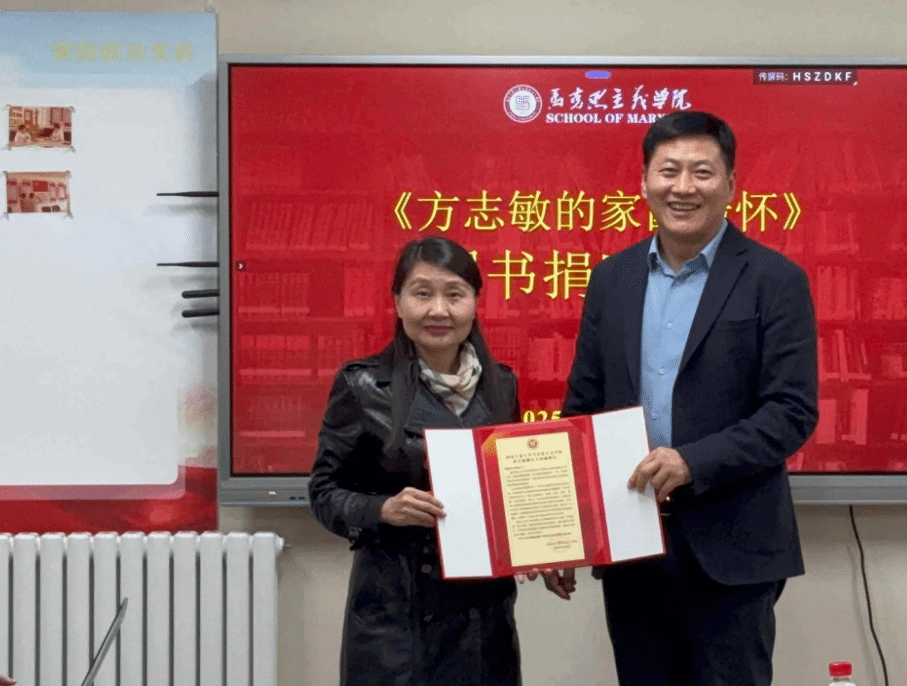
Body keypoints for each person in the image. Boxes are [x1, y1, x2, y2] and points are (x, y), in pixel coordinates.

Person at [545, 111, 819, 686]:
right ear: (645, 181)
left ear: (730, 184)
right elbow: (582, 409)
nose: (683, 187)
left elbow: (791, 411)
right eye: (668, 171)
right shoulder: (612, 279)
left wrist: (692, 461)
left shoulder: (775, 279)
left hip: (733, 545)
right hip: (632, 544)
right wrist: (562, 528)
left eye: (702, 171)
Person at [308, 236, 524, 686]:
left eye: (454, 295)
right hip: (397, 622)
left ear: (475, 303)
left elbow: (511, 490)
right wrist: (383, 509)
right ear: (398, 302)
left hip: (483, 620)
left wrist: (541, 547)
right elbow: (324, 493)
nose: (438, 310)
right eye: (422, 293)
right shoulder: (363, 386)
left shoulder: (502, 386)